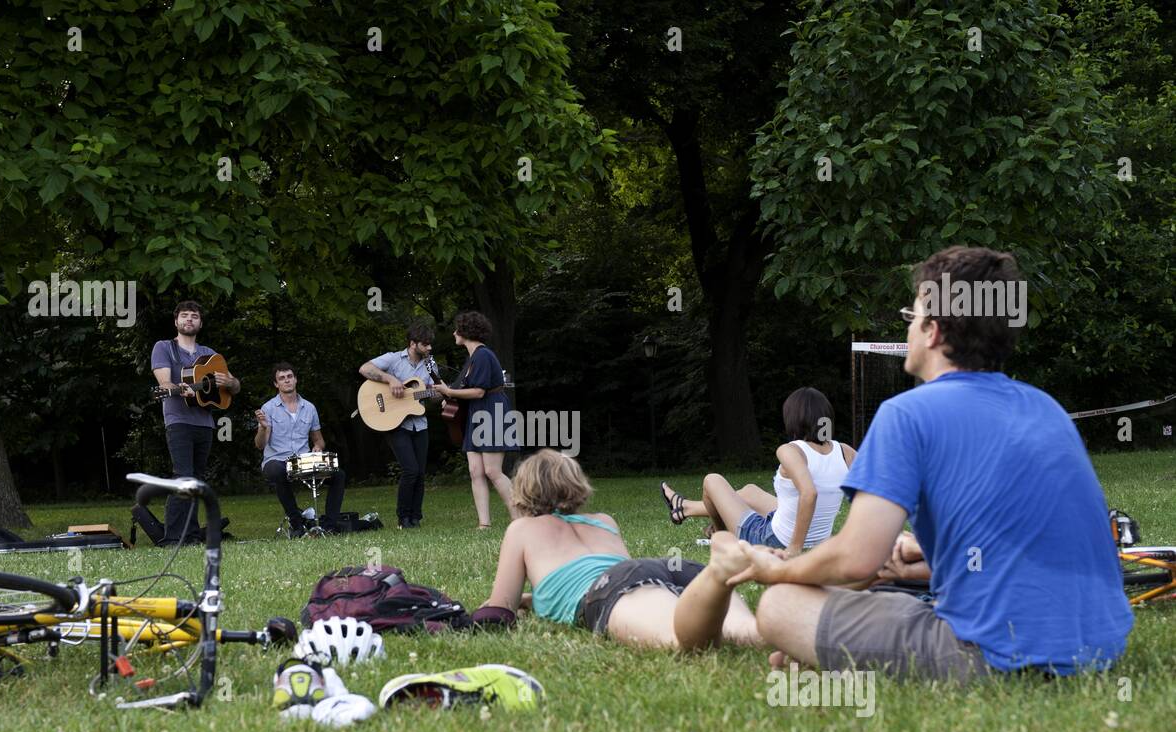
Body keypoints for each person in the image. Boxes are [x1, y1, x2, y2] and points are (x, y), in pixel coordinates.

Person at [728, 246, 1132, 682]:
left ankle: (825, 646)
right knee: (885, 586)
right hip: (1100, 647)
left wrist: (779, 569)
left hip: (999, 656)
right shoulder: (1046, 409)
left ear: (934, 331)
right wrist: (920, 553)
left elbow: (856, 559)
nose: (909, 328)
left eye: (912, 315)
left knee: (781, 604)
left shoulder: (907, 414)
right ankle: (836, 645)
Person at [480, 450, 761, 651]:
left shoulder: (522, 529)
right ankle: (719, 571)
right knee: (750, 634)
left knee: (681, 641)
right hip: (663, 570)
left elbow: (499, 610)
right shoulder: (603, 521)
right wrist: (534, 599)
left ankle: (720, 569)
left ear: (524, 490)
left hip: (615, 588)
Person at [661, 388, 856, 556]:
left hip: (774, 540)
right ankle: (686, 507)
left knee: (712, 481)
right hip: (819, 542)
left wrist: (794, 549)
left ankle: (723, 542)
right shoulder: (845, 452)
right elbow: (872, 491)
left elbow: (809, 493)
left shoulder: (791, 450)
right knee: (749, 491)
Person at [150, 300, 241, 545]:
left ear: (200, 323)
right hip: (178, 420)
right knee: (183, 476)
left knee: (197, 479)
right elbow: (164, 384)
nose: (189, 319)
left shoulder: (209, 354)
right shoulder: (164, 347)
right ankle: (173, 538)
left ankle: (189, 535)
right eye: (185, 316)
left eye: (194, 316)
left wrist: (227, 383)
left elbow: (234, 386)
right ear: (176, 321)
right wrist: (178, 389)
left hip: (205, 423)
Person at [433, 310, 517, 529]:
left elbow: (479, 391)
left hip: (491, 410)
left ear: (465, 332)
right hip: (478, 412)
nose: (453, 333)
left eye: (457, 329)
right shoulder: (472, 358)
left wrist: (449, 393)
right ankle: (484, 524)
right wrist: (448, 397)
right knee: (475, 471)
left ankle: (521, 521)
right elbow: (462, 390)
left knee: (492, 471)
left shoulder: (482, 355)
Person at [358, 323, 436, 529]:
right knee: (410, 470)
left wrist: (442, 394)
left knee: (419, 473)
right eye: (425, 344)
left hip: (419, 423)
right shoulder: (393, 358)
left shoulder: (431, 365)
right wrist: (390, 379)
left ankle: (415, 518)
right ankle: (403, 518)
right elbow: (365, 368)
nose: (429, 348)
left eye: (430, 344)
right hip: (395, 423)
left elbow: (433, 395)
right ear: (412, 344)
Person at [255, 362, 346, 536]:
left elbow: (318, 439)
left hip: (303, 461)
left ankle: (329, 525)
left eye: (290, 377)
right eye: (282, 378)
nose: (287, 381)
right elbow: (260, 445)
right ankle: (296, 524)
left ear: (296, 379)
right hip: (278, 460)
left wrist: (318, 447)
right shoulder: (268, 408)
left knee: (338, 474)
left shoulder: (309, 408)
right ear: (276, 384)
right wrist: (263, 427)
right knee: (277, 470)